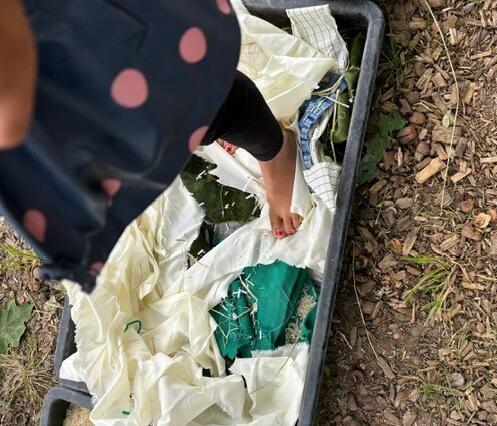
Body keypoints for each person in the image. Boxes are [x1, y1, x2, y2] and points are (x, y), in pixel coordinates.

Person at [0, 0, 300, 291]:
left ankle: (275, 149)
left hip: (68, 42)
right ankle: (192, 127)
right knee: (161, 118)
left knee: (191, 91)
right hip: (49, 83)